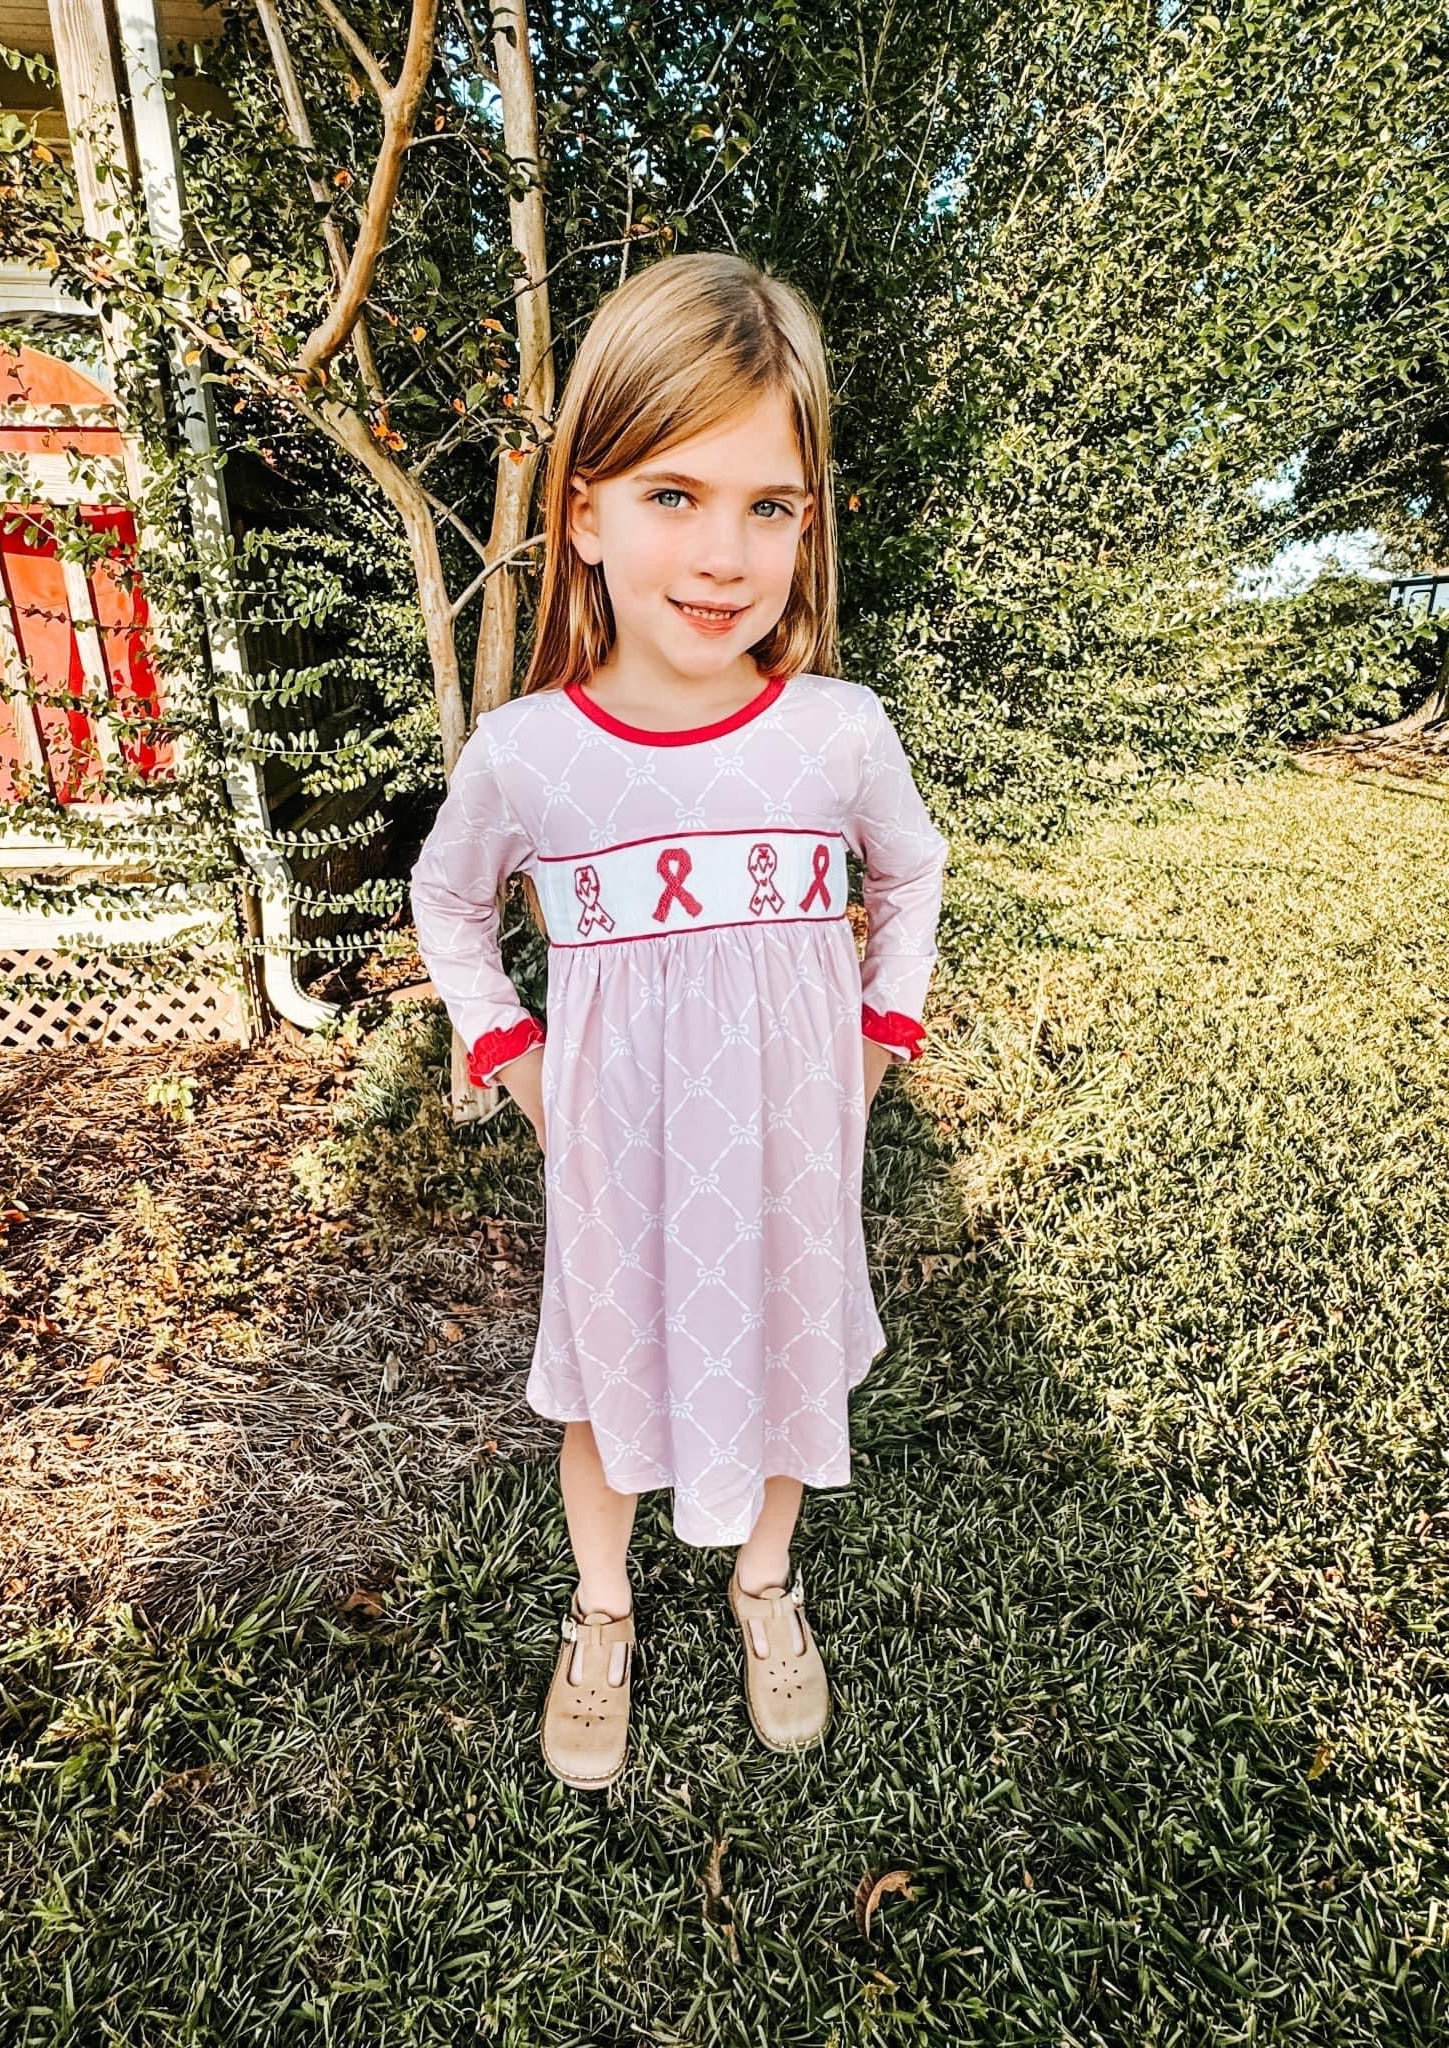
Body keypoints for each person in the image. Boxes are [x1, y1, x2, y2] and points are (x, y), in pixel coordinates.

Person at [409, 250, 949, 1792]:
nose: (724, 553)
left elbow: (913, 875)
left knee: (781, 1359)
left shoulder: (839, 734)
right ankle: (603, 1608)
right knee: (610, 1377)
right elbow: (450, 908)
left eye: (768, 505)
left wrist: (874, 1043)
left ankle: (764, 1586)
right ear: (581, 511)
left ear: (806, 521)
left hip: (791, 1146)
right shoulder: (527, 759)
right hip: (617, 1153)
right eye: (672, 495)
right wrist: (516, 1060)